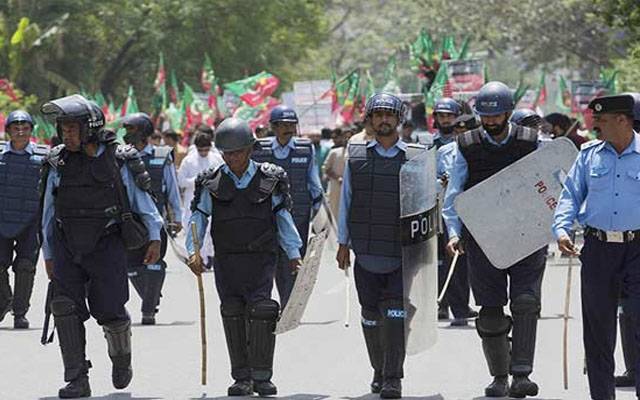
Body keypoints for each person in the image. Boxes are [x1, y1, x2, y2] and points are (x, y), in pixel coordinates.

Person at [40, 94, 163, 398]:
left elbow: (142, 201)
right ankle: (77, 378)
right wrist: (49, 254)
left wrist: (155, 236)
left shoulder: (119, 158)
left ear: (89, 127)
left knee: (109, 309)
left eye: (72, 128)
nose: (65, 134)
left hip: (107, 244)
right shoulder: (57, 161)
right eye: (63, 128)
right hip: (67, 243)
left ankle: (121, 358)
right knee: (65, 307)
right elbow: (47, 212)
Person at [444, 81, 546, 398]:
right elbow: (454, 193)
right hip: (483, 236)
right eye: (485, 116)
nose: (491, 121)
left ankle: (522, 375)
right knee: (490, 310)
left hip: (527, 235)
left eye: (497, 115)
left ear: (509, 113)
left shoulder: (533, 142)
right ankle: (499, 376)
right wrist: (454, 231)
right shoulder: (467, 145)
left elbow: (553, 185)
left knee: (526, 303)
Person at [186, 117, 302, 396]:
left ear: (250, 150)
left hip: (261, 259)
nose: (232, 158)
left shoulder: (270, 179)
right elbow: (197, 218)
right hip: (227, 261)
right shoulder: (211, 182)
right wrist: (194, 251)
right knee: (233, 312)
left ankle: (262, 376)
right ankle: (241, 377)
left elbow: (283, 218)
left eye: (237, 152)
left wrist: (294, 253)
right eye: (227, 153)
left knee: (262, 311)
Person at [337, 93, 428, 399]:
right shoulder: (357, 156)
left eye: (389, 115)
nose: (384, 120)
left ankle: (393, 377)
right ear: (370, 120)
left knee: (395, 312)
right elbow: (346, 200)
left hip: (401, 252)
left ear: (399, 119)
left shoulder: (415, 157)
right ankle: (378, 369)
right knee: (371, 314)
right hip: (365, 250)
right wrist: (342, 242)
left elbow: (425, 205)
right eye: (378, 115)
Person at [553, 94, 640, 400]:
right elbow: (570, 195)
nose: (595, 126)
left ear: (622, 120)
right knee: (598, 331)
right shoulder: (589, 154)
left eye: (601, 120)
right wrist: (562, 228)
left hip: (637, 249)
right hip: (599, 249)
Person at [252, 105, 323, 307]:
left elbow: (314, 182)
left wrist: (319, 209)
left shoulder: (306, 148)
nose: (288, 129)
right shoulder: (260, 149)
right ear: (274, 127)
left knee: (293, 259)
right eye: (283, 125)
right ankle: (271, 300)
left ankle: (289, 303)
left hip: (298, 214)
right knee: (273, 259)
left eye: (292, 125)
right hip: (267, 216)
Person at [121, 112, 184, 325]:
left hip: (156, 223)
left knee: (155, 265)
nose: (127, 134)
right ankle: (152, 296)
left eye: (131, 129)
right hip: (129, 223)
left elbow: (172, 188)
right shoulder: (120, 156)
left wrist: (178, 216)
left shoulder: (161, 155)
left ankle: (149, 309)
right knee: (132, 268)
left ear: (143, 132)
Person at [0, 110, 48, 329]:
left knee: (26, 266)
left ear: (31, 130)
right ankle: (4, 302)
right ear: (8, 130)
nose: (20, 131)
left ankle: (20, 312)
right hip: (2, 220)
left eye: (25, 127)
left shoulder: (45, 157)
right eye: (15, 127)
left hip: (31, 221)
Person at [432, 97, 463, 320]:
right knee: (438, 260)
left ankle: (460, 304)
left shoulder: (466, 143)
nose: (446, 120)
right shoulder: (428, 145)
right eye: (441, 116)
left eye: (449, 116)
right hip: (435, 210)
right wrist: (438, 181)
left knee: (461, 261)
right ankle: (440, 303)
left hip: (460, 210)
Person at [178, 132, 223, 268]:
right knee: (194, 230)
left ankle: (207, 257)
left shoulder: (216, 159)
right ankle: (199, 259)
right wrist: (198, 180)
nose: (203, 152)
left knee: (210, 231)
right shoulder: (188, 160)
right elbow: (181, 181)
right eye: (200, 150)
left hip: (213, 200)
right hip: (192, 201)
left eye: (206, 149)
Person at [322, 127, 348, 219]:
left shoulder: (355, 152)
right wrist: (337, 178)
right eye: (344, 137)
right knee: (334, 213)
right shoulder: (334, 152)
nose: (346, 139)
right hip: (335, 188)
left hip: (349, 188)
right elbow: (326, 169)